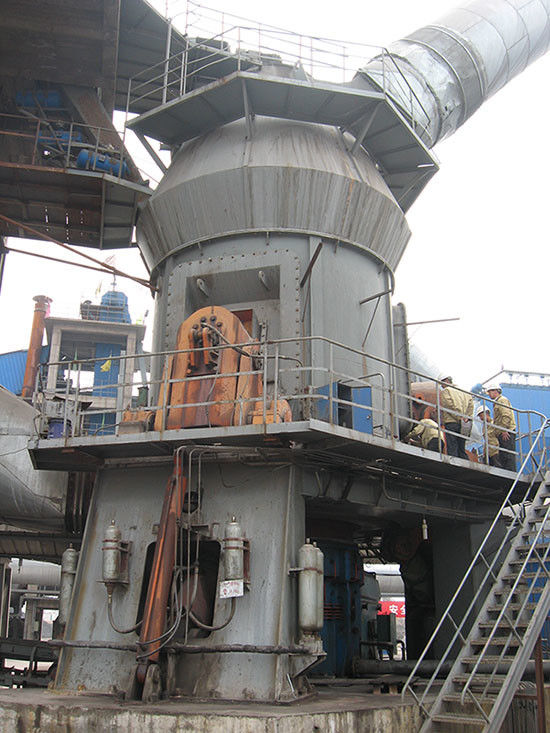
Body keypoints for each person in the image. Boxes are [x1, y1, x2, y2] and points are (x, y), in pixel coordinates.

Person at [437, 375, 473, 459]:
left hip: (451, 422)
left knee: (452, 446)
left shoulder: (446, 391)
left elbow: (448, 406)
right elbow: (471, 407)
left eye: (441, 383)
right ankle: (464, 462)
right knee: (461, 446)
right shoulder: (465, 392)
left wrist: (459, 417)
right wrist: (466, 418)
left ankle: (453, 462)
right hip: (464, 423)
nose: (441, 386)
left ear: (446, 381)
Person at [486, 382, 517, 471]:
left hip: (506, 431)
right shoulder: (497, 402)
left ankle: (510, 473)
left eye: (490, 392)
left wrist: (504, 429)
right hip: (502, 431)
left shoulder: (502, 400)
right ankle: (507, 472)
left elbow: (506, 415)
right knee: (504, 455)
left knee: (508, 455)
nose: (489, 394)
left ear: (496, 391)